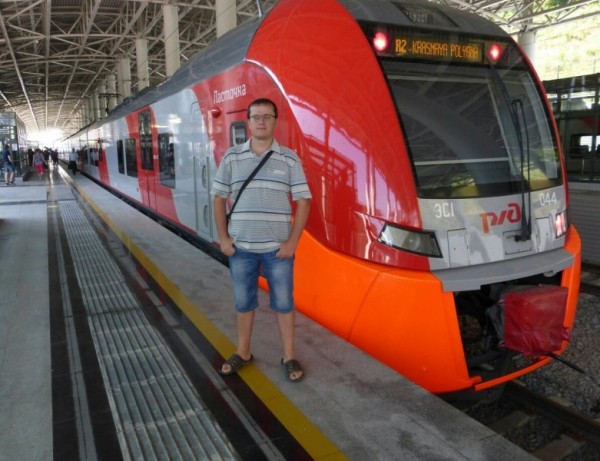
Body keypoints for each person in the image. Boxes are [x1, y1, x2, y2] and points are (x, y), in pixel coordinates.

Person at [211, 98, 312, 382]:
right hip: (241, 248)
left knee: (284, 303)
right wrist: (223, 239)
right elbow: (218, 197)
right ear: (248, 121)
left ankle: (288, 356)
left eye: (267, 116)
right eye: (256, 116)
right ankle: (243, 352)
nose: (261, 121)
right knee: (244, 303)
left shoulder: (289, 159)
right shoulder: (232, 157)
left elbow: (304, 201)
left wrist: (292, 243)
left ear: (275, 121)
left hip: (277, 251)